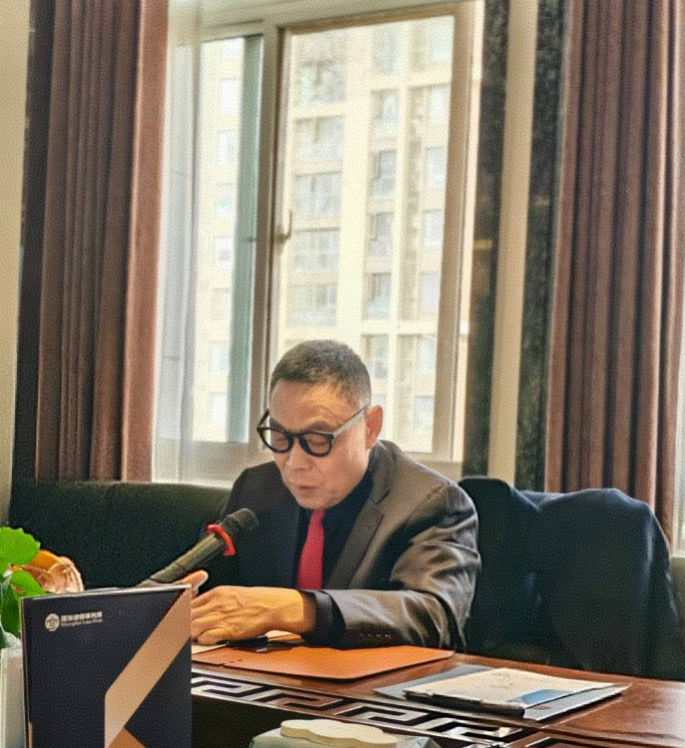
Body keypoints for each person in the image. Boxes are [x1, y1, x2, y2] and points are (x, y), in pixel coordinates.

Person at [187, 340, 479, 649]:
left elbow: (436, 617)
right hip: (256, 674)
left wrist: (300, 608)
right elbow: (217, 593)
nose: (295, 463)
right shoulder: (257, 488)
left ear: (370, 427)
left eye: (317, 439)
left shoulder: (432, 502)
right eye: (279, 436)